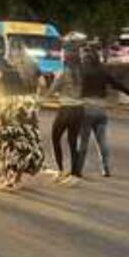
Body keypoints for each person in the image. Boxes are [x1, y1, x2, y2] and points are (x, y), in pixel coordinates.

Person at [0, 40, 48, 191]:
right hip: (28, 106)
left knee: (9, 142)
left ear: (9, 50)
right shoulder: (33, 65)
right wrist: (37, 97)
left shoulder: (5, 64)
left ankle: (9, 179)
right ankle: (17, 178)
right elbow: (43, 84)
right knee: (25, 142)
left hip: (10, 107)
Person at [70, 46, 129, 183]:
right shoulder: (103, 71)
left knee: (83, 141)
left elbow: (73, 88)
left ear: (86, 58)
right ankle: (106, 169)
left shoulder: (82, 71)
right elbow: (117, 84)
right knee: (102, 141)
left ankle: (79, 169)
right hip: (101, 109)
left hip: (86, 108)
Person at [47, 39, 85, 182]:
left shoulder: (62, 73)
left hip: (66, 109)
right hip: (79, 109)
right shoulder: (83, 73)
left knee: (55, 138)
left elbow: (51, 91)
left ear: (66, 57)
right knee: (73, 141)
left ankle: (60, 170)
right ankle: (75, 174)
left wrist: (51, 92)